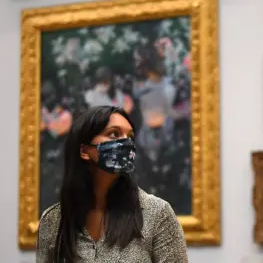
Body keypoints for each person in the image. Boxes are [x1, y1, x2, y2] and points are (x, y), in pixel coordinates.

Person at [36, 106, 188, 263]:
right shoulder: (53, 221)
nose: (126, 142)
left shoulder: (157, 213)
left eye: (130, 136)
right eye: (114, 134)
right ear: (85, 151)